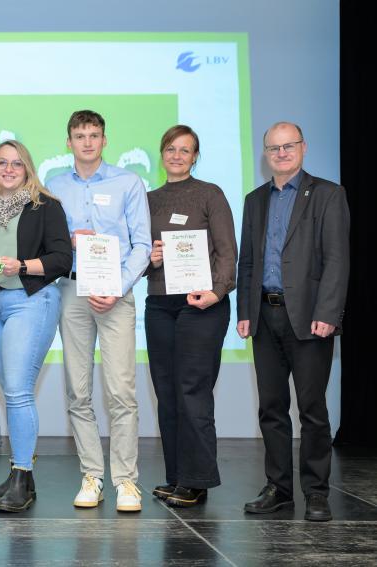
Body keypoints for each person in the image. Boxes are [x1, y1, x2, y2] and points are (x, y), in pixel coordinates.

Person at [237, 122, 349, 522]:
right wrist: (245, 311)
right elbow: (247, 261)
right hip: (264, 317)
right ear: (265, 153)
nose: (281, 153)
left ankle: (316, 492)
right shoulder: (254, 200)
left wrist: (327, 313)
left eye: (289, 146)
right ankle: (279, 489)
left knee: (312, 409)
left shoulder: (328, 194)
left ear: (303, 147)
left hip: (309, 318)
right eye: (274, 148)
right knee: (271, 408)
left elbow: (337, 259)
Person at [46, 110, 151, 512]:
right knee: (78, 390)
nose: (87, 142)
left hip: (116, 295)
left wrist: (118, 286)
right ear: (68, 142)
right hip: (72, 291)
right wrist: (68, 240)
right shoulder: (54, 187)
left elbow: (143, 245)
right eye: (80, 135)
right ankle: (92, 476)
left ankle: (126, 481)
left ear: (104, 140)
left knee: (121, 391)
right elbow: (48, 243)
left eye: (94, 135)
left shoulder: (128, 182)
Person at [0, 140, 72, 513]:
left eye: (16, 163)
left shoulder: (46, 206)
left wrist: (23, 266)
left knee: (18, 392)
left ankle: (22, 478)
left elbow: (62, 259)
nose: (8, 169)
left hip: (30, 301)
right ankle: (18, 476)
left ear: (27, 167)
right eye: (2, 163)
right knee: (13, 391)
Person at [144, 125, 237, 507]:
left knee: (192, 392)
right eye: (171, 148)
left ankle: (197, 481)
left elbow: (227, 250)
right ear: (162, 153)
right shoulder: (148, 199)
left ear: (195, 156)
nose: (177, 156)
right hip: (159, 305)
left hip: (202, 304)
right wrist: (150, 259)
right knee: (167, 394)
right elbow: (138, 255)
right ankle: (177, 477)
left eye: (185, 150)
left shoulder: (210, 194)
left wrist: (217, 291)